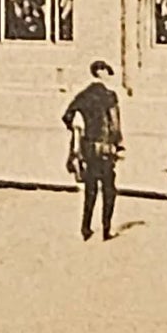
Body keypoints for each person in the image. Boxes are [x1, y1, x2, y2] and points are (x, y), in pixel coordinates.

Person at [62, 59, 124, 242]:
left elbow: (67, 116)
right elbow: (114, 124)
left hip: (88, 147)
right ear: (102, 73)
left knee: (90, 188)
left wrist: (77, 130)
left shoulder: (83, 95)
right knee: (109, 189)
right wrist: (118, 145)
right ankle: (106, 229)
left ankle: (86, 227)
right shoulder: (109, 96)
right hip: (105, 147)